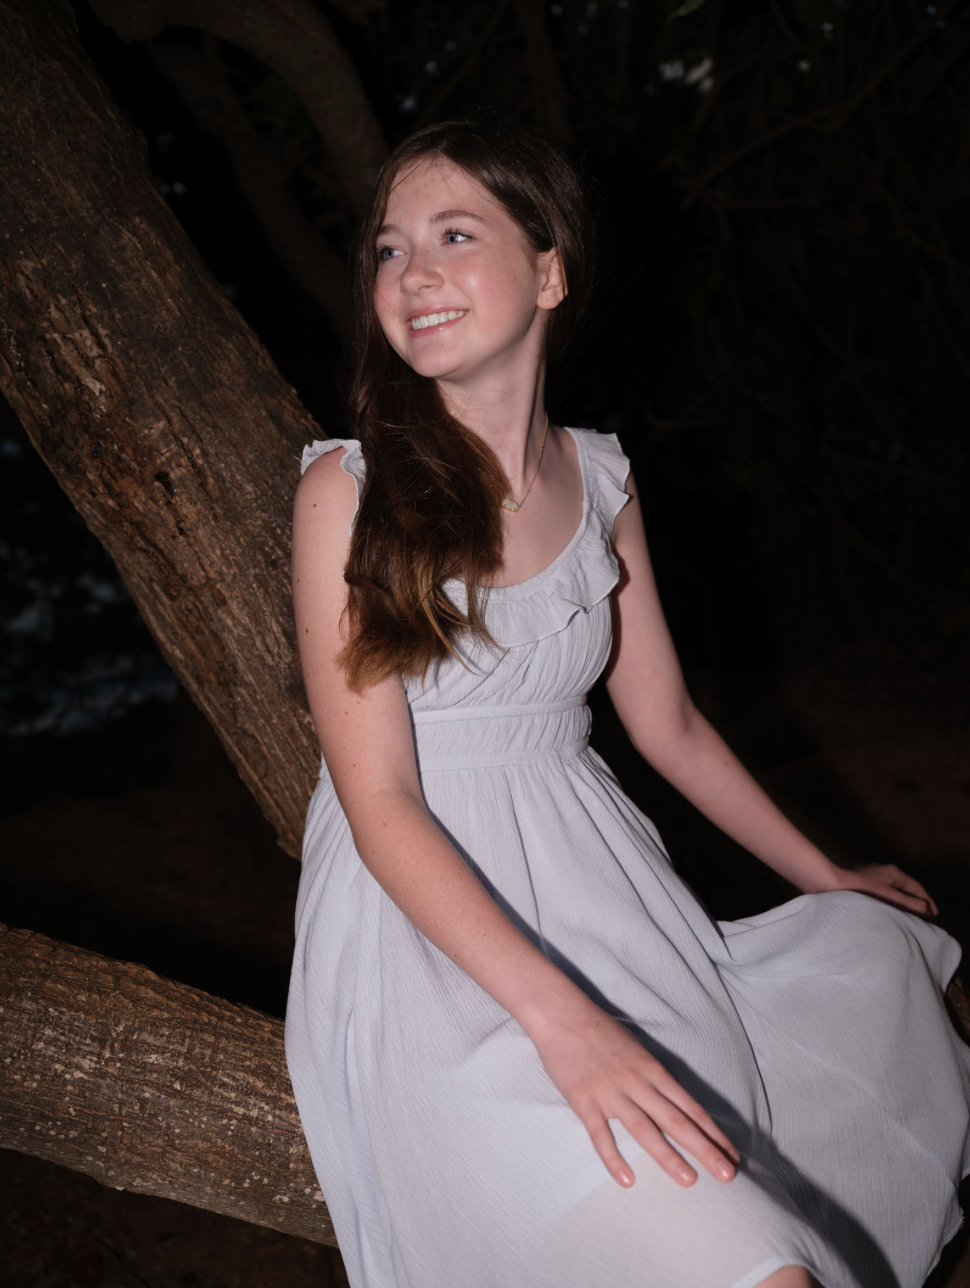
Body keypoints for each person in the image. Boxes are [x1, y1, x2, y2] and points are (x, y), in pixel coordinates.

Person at [284, 120, 970, 1288]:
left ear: (550, 272)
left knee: (869, 961)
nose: (414, 274)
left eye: (456, 234)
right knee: (752, 1265)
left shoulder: (601, 478)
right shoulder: (347, 492)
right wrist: (565, 1025)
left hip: (611, 903)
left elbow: (669, 727)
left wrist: (822, 872)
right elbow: (383, 803)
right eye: (390, 251)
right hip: (426, 942)